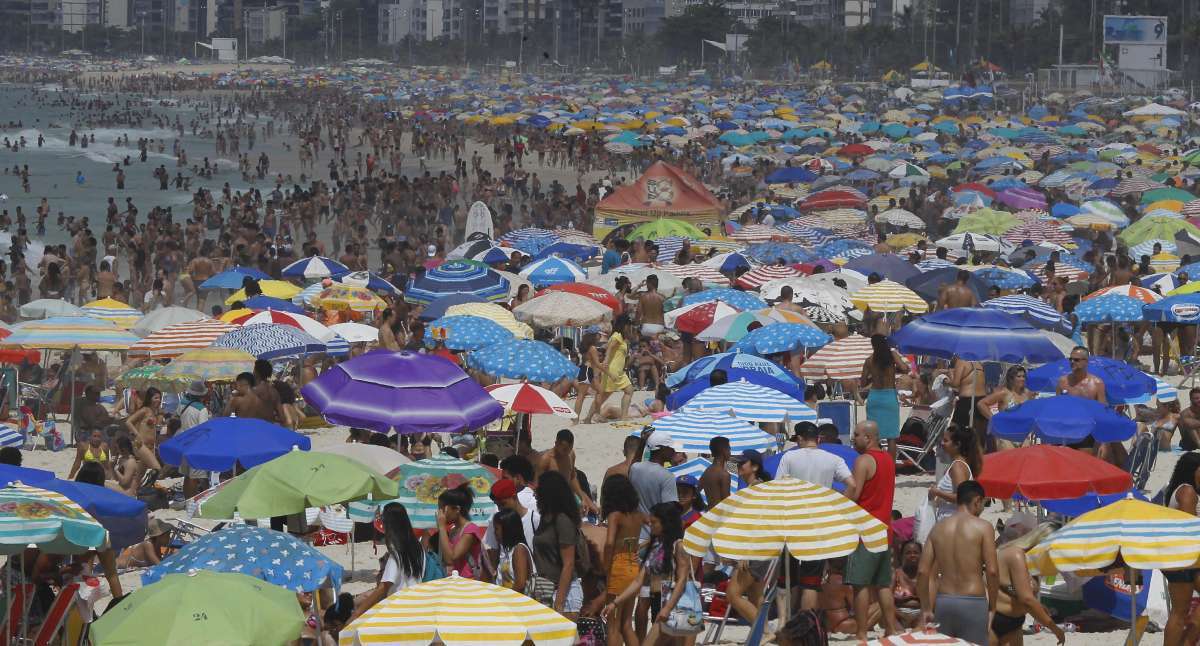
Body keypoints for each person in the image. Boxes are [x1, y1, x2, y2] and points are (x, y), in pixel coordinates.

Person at [917, 480, 999, 646]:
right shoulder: (984, 527)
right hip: (973, 601)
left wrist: (926, 608)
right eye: (983, 504)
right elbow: (992, 571)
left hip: (944, 601)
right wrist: (993, 607)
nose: (982, 509)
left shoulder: (938, 528)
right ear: (977, 500)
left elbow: (922, 572)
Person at [603, 503, 695, 646]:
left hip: (683, 604)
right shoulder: (655, 546)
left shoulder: (679, 546)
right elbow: (637, 582)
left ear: (666, 523)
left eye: (654, 522)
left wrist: (668, 608)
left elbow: (683, 580)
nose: (650, 525)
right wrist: (615, 603)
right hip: (663, 602)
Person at [845, 420, 899, 642]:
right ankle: (891, 629)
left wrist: (833, 501)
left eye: (856, 434)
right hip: (884, 528)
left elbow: (855, 494)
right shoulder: (888, 459)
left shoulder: (863, 460)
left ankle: (861, 632)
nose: (853, 438)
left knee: (860, 585)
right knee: (883, 584)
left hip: (865, 530)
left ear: (868, 438)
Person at [352, 502, 434, 620]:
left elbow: (384, 587)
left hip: (398, 611)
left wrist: (357, 613)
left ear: (389, 525)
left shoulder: (397, 553)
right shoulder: (418, 548)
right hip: (416, 607)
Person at [993, 524, 1066, 645]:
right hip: (993, 620)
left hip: (1015, 623)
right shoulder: (1015, 554)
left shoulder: (1032, 562)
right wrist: (1055, 629)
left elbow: (1020, 593)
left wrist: (1039, 607)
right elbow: (1026, 599)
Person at [532, 470, 585, 617]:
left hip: (564, 594)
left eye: (538, 491)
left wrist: (559, 602)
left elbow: (569, 564)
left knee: (565, 640)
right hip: (546, 590)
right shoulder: (546, 519)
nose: (535, 494)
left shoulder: (562, 521)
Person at [601, 474, 644, 646]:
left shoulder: (615, 515)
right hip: (633, 565)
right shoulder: (638, 516)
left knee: (613, 625)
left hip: (618, 566)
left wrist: (605, 567)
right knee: (626, 623)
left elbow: (610, 543)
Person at [1163, 452, 1200, 646]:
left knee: (1180, 612)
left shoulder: (1180, 489)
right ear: (1193, 470)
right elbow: (1190, 528)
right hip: (1185, 558)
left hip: (1181, 558)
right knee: (1179, 613)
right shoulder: (1188, 492)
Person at [861, 334, 908, 459]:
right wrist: (894, 370)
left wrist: (873, 376)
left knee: (873, 435)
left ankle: (876, 462)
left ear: (873, 345)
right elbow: (905, 368)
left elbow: (863, 383)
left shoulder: (869, 360)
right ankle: (890, 467)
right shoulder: (892, 355)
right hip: (889, 397)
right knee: (891, 437)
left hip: (875, 397)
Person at [537, 429, 599, 516]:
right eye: (565, 449)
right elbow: (537, 484)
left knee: (591, 511)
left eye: (570, 448)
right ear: (556, 443)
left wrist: (582, 497)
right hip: (551, 500)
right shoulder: (546, 460)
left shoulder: (571, 454)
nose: (567, 452)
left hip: (568, 495)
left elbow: (572, 477)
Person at [928, 424, 982, 523]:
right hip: (951, 520)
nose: (942, 443)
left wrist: (937, 492)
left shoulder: (958, 467)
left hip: (953, 522)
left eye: (946, 440)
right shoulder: (958, 464)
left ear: (957, 444)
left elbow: (963, 497)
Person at [587, 315, 636, 423]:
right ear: (624, 325)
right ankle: (588, 418)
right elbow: (609, 349)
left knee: (629, 390)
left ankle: (623, 417)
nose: (629, 328)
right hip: (612, 371)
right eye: (628, 326)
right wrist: (606, 360)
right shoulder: (617, 335)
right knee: (603, 396)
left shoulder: (620, 337)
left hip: (619, 372)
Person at [435, 484, 485, 580]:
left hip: (468, 582)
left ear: (457, 509)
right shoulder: (454, 530)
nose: (440, 513)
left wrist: (442, 527)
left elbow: (450, 559)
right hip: (456, 581)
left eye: (442, 509)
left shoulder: (470, 530)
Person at [123, 387, 163, 475]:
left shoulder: (154, 412)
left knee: (139, 476)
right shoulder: (145, 410)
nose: (159, 400)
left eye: (160, 398)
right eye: (156, 398)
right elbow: (128, 422)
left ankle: (131, 487)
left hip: (150, 447)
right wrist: (137, 434)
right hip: (141, 445)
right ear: (149, 399)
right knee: (157, 469)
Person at [492, 508, 533, 593]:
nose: (494, 533)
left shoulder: (519, 550)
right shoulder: (507, 551)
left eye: (496, 529)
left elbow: (520, 584)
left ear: (507, 528)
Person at [892, 541, 923, 629]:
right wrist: (900, 615)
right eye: (908, 553)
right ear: (902, 556)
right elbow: (887, 599)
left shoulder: (926, 576)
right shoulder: (895, 574)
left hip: (921, 615)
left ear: (921, 555)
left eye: (916, 553)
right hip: (898, 614)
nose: (912, 555)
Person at [699, 436, 732, 506]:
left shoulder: (707, 471)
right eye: (729, 449)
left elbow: (696, 492)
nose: (730, 453)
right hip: (720, 515)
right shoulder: (724, 475)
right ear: (724, 450)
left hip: (710, 513)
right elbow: (726, 503)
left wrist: (704, 507)